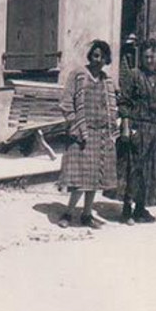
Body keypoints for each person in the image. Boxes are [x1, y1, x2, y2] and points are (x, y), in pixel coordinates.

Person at [58, 39, 118, 228]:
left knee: (94, 179)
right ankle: (68, 213)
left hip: (100, 134)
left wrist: (111, 130)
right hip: (81, 132)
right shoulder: (77, 75)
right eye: (95, 56)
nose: (98, 60)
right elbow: (67, 102)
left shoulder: (107, 80)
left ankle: (86, 214)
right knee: (79, 179)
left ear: (107, 59)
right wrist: (75, 125)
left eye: (102, 57)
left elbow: (112, 107)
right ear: (90, 56)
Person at [118, 38, 156, 224]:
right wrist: (125, 128)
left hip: (154, 128)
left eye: (152, 57)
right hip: (137, 126)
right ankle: (126, 209)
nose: (149, 60)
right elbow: (124, 102)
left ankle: (141, 208)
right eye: (146, 57)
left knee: (149, 170)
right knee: (134, 168)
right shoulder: (133, 75)